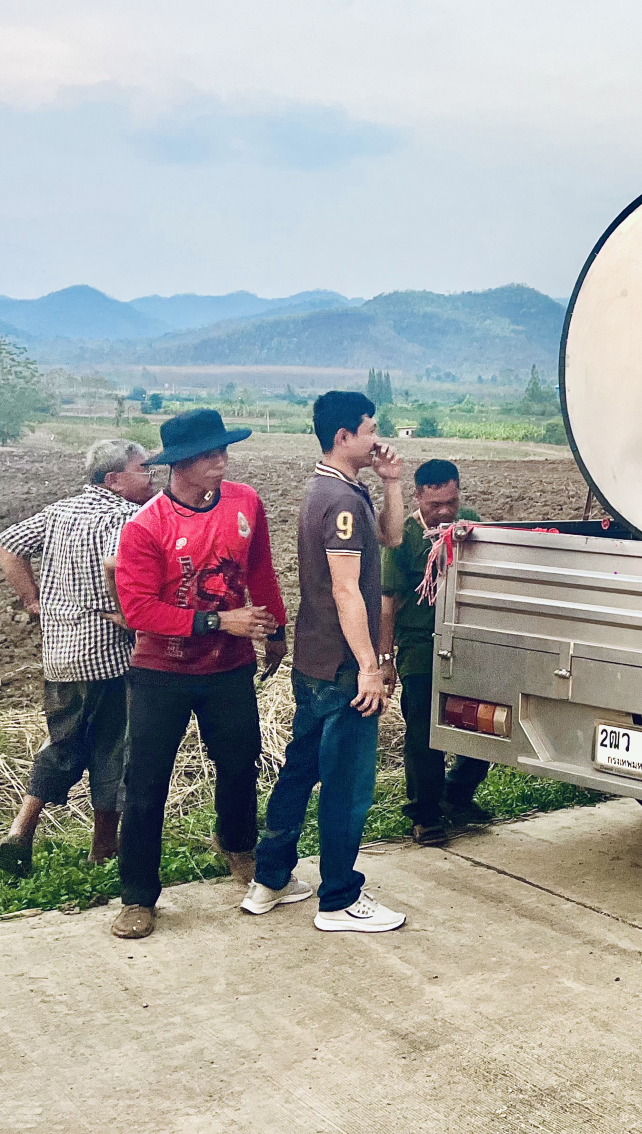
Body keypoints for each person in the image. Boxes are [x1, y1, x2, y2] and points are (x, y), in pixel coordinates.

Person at [110, 408, 289, 940]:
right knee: (145, 784)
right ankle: (138, 896)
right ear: (181, 464)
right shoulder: (145, 528)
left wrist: (273, 628)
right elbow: (139, 610)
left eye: (223, 450)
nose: (222, 461)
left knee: (240, 764)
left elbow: (259, 570)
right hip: (160, 673)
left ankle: (237, 847)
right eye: (210, 454)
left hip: (228, 668)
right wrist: (219, 620)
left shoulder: (245, 502)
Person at [243, 391, 406, 932]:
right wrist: (368, 666)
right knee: (346, 784)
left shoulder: (340, 490)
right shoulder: (338, 502)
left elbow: (392, 535)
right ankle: (338, 898)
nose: (377, 437)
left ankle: (270, 880)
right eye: (371, 428)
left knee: (301, 769)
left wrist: (390, 482)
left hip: (315, 664)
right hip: (340, 669)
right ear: (344, 436)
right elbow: (346, 591)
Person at [0, 439, 155, 877]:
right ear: (114, 479)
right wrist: (130, 614)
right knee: (114, 747)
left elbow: (8, 546)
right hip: (108, 655)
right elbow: (117, 565)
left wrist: (33, 600)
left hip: (61, 654)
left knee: (63, 741)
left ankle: (21, 828)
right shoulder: (126, 515)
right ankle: (103, 848)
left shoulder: (62, 511)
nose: (152, 476)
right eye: (144, 469)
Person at [381, 458, 487, 845]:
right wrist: (385, 660)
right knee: (424, 732)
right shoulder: (404, 537)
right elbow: (387, 605)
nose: (444, 512)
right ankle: (425, 815)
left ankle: (457, 793)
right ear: (418, 498)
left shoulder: (470, 523)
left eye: (450, 503)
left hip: (464, 640)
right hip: (420, 644)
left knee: (486, 724)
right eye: (434, 505)